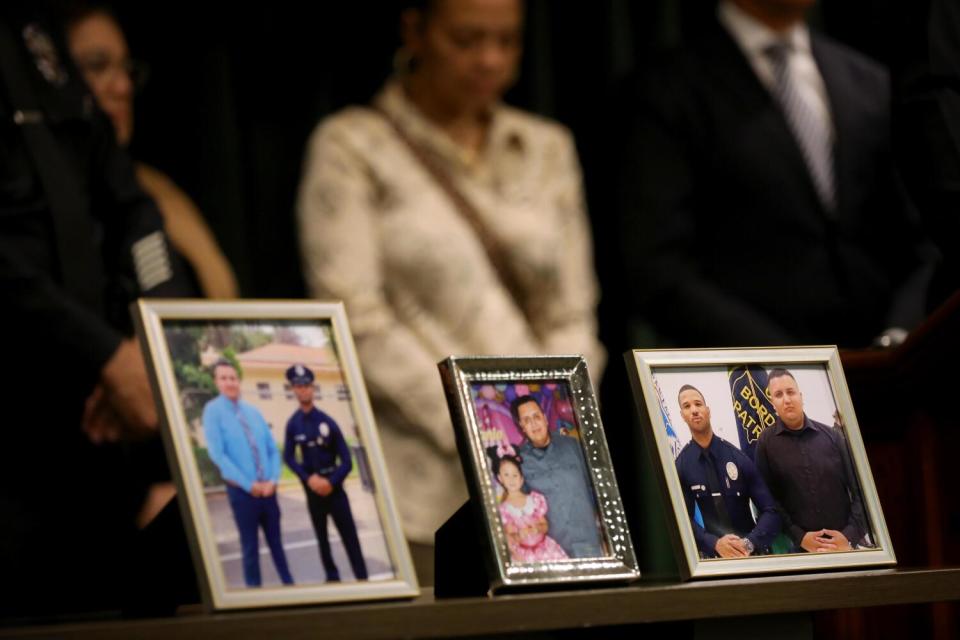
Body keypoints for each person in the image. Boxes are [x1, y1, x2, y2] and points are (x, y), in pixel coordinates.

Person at [296, 0, 606, 568]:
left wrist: (555, 425)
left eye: (506, 42)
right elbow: (355, 319)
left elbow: (574, 312)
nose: (489, 59)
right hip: (418, 490)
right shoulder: (353, 145)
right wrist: (483, 431)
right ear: (414, 29)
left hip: (548, 483)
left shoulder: (546, 147)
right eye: (466, 40)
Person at [0, 2, 193, 616]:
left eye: (119, 67)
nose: (111, 86)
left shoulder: (37, 42)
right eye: (92, 66)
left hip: (110, 463)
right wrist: (108, 355)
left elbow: (139, 219)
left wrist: (151, 343)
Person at [617, 0, 932, 349]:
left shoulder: (869, 82)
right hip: (751, 379)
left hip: (887, 371)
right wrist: (790, 363)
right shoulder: (667, 87)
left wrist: (899, 335)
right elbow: (659, 266)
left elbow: (924, 240)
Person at [64, 4, 239, 299]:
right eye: (97, 66)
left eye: (126, 69)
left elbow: (225, 299)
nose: (122, 87)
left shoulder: (157, 190)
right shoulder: (37, 206)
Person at [202, 359, 294, 587]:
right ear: (217, 382)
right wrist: (248, 484)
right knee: (250, 548)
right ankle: (255, 594)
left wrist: (272, 480)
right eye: (224, 378)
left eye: (233, 378)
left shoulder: (253, 412)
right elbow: (218, 455)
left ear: (239, 381)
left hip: (268, 491)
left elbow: (272, 449)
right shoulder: (212, 412)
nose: (229, 382)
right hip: (243, 494)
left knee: (277, 545)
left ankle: (290, 586)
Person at [755, 369, 868, 553]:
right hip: (801, 552)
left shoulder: (833, 437)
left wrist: (848, 536)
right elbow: (768, 502)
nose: (786, 399)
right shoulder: (765, 444)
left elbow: (860, 490)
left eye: (790, 392)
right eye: (778, 395)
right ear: (772, 403)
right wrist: (799, 537)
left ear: (800, 395)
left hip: (845, 548)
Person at [282, 363, 368, 582]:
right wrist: (308, 478)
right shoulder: (293, 425)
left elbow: (347, 461)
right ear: (293, 389)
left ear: (313, 388)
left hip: (335, 491)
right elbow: (289, 457)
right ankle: (332, 577)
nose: (303, 390)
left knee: (350, 537)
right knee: (322, 539)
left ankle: (362, 577)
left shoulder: (327, 422)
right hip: (313, 492)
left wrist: (331, 482)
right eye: (298, 386)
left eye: (307, 385)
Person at [673, 385, 780, 558]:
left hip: (752, 554)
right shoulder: (681, 466)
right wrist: (714, 544)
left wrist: (748, 543)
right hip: (714, 560)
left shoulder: (738, 458)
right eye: (687, 406)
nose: (694, 410)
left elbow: (771, 511)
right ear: (682, 416)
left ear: (708, 410)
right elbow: (681, 520)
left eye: (698, 404)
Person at [512, 395, 603, 558]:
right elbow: (523, 510)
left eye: (536, 416)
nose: (533, 423)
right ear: (521, 427)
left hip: (588, 545)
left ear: (545, 418)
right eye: (526, 420)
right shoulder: (520, 462)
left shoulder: (573, 446)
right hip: (551, 552)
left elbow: (600, 489)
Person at [494, 452, 568, 563]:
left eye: (515, 475)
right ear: (500, 478)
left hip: (546, 550)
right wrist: (519, 535)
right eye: (506, 475)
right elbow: (510, 536)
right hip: (525, 555)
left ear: (521, 479)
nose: (511, 479)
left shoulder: (535, 499)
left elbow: (545, 525)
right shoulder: (504, 509)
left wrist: (537, 528)